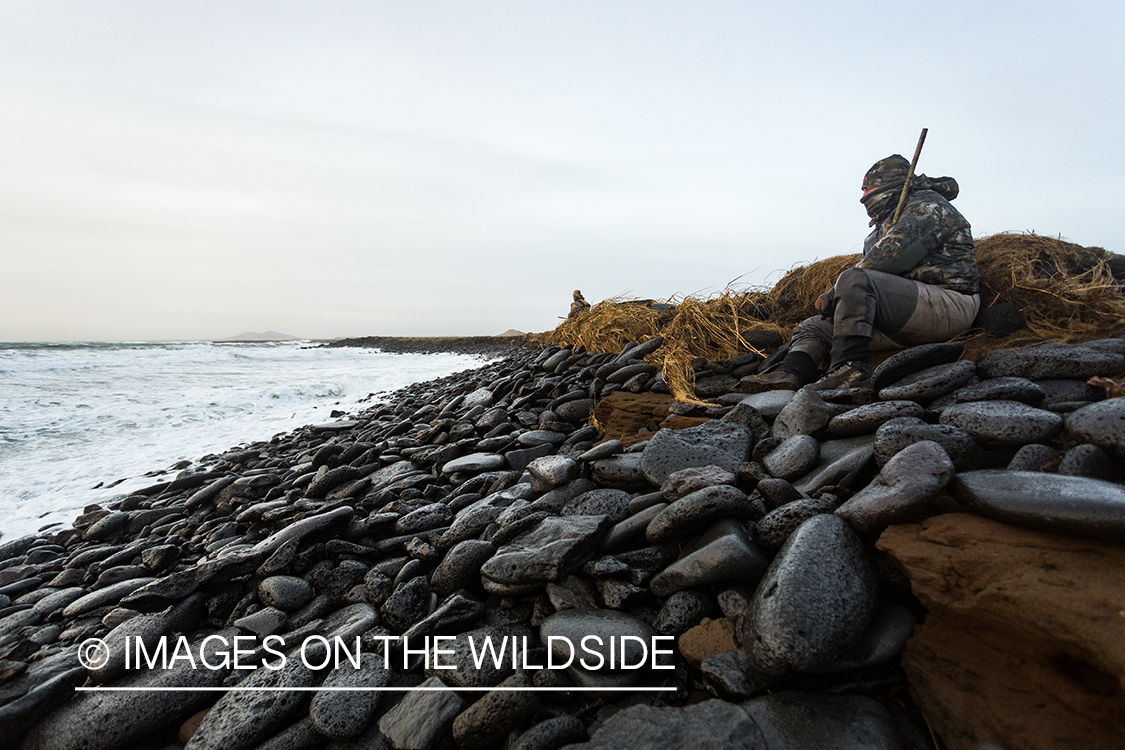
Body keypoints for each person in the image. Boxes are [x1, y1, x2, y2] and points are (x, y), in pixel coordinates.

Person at [745, 154, 980, 392]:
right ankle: (792, 373)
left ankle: (849, 368)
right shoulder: (884, 224)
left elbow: (890, 258)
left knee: (855, 278)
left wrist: (833, 293)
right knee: (813, 326)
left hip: (949, 305)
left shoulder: (929, 206)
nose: (864, 196)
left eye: (869, 188)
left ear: (890, 185)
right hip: (902, 317)